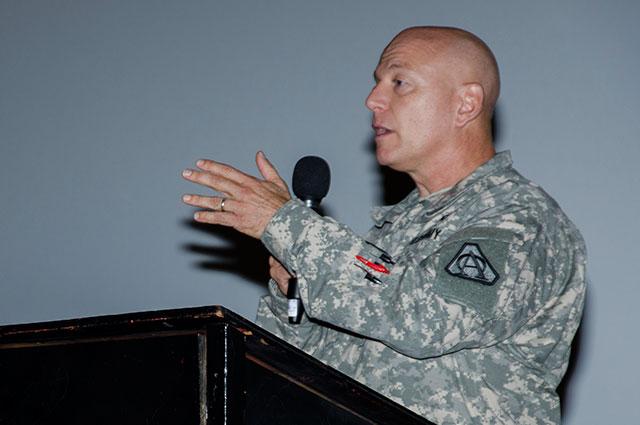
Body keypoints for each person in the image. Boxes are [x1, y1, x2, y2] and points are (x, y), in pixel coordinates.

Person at [182, 26, 586, 425]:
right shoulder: (393, 234)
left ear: (465, 104)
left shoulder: (520, 218)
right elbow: (302, 373)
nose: (373, 99)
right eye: (377, 83)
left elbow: (429, 320)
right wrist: (294, 296)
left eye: (399, 82)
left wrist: (289, 224)